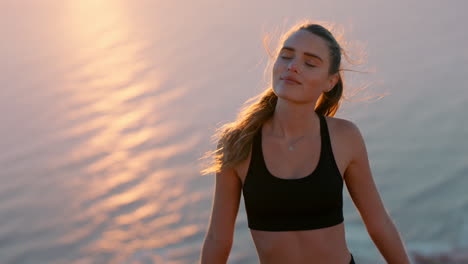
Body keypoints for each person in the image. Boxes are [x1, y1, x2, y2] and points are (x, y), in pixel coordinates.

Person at [199, 20, 411, 264]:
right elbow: (218, 238)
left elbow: (379, 224)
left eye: (309, 63)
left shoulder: (345, 137)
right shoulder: (238, 142)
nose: (293, 67)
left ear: (330, 81)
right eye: (286, 56)